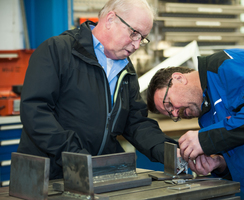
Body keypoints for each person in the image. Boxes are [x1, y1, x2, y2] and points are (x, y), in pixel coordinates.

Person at [17, 0, 176, 180]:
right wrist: (77, 156)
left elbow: (136, 122)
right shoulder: (57, 51)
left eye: (142, 38)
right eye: (134, 34)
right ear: (110, 20)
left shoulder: (126, 69)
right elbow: (35, 112)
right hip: (49, 175)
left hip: (96, 174)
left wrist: (171, 153)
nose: (137, 44)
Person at [147, 48, 244, 200]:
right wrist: (219, 164)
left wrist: (207, 139)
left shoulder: (223, 66)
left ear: (179, 78)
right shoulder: (207, 119)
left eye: (169, 105)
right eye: (170, 114)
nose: (174, 113)